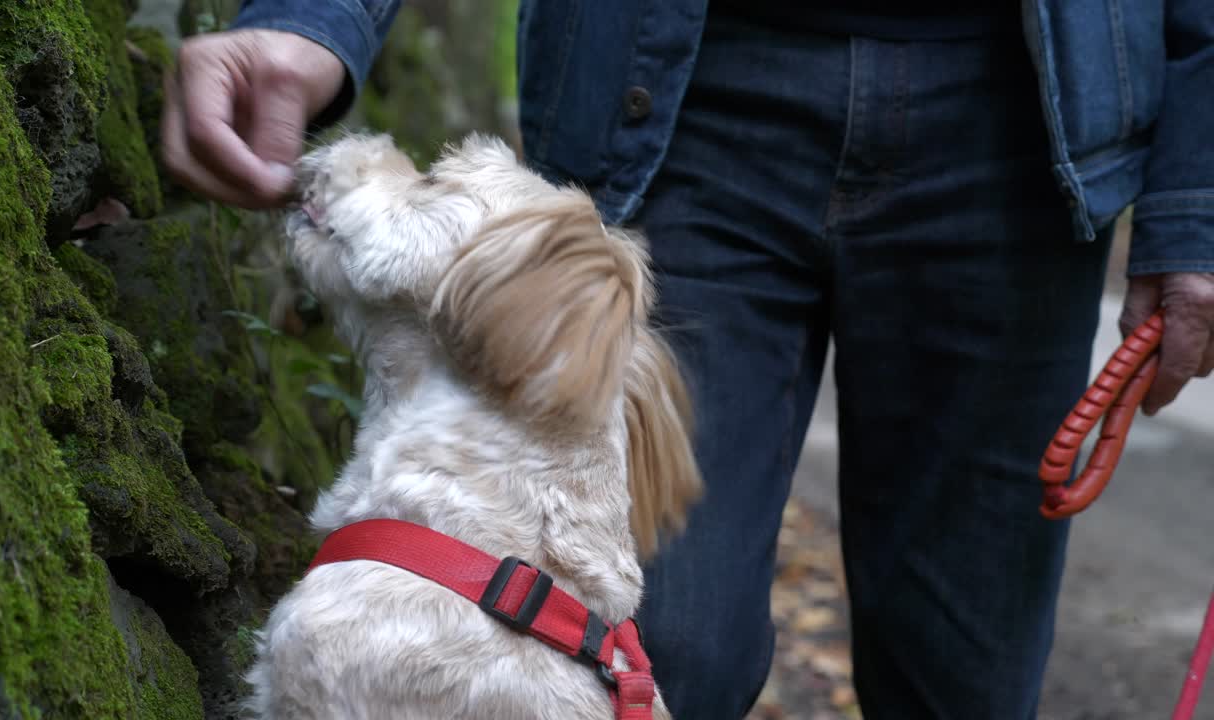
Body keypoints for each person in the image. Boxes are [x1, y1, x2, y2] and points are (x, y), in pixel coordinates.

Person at [161, 2, 1214, 717]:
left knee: (964, 681)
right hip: (677, 104)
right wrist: (313, 17)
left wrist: (1194, 206)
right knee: (668, 651)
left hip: (1015, 126)